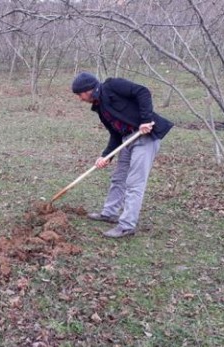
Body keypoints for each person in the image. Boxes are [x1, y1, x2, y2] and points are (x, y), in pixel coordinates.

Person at [71, 72, 173, 238]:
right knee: (118, 178)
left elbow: (143, 92)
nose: (80, 99)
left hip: (145, 138)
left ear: (89, 89)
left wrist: (146, 120)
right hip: (127, 139)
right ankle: (109, 213)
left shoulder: (112, 86)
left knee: (134, 183)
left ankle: (126, 226)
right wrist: (106, 156)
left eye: (80, 94)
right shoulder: (100, 108)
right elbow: (115, 134)